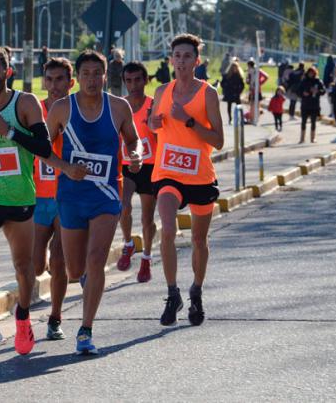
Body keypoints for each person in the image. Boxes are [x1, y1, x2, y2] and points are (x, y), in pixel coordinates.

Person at [0, 44, 84, 355]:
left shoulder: (24, 103)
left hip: (20, 195)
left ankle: (23, 318)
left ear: (7, 71)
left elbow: (42, 144)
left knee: (25, 267)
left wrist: (9, 131)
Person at [44, 49, 142, 355]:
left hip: (107, 194)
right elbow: (43, 150)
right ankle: (86, 278)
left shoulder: (118, 107)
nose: (91, 80)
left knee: (97, 259)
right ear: (78, 78)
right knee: (75, 269)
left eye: (96, 74)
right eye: (85, 74)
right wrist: (66, 168)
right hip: (71, 196)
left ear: (104, 76)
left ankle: (85, 330)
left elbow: (132, 139)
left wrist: (135, 154)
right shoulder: (61, 109)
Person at [148, 33, 224, 328]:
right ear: (171, 59)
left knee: (198, 240)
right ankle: (172, 293)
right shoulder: (161, 91)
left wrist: (189, 121)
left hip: (200, 176)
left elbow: (218, 141)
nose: (181, 61)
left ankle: (196, 290)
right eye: (177, 55)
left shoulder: (208, 94)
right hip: (168, 172)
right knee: (167, 229)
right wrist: (154, 124)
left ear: (197, 61)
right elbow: (157, 127)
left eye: (187, 56)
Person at [32, 57, 75, 341]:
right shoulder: (33, 110)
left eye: (61, 79)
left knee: (59, 260)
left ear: (71, 82)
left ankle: (55, 317)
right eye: (50, 79)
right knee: (35, 266)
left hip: (66, 196)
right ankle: (51, 264)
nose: (55, 85)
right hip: (35, 197)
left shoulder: (79, 111)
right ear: (44, 81)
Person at [116, 61, 158, 283]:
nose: (133, 85)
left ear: (146, 80)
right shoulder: (119, 106)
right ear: (124, 82)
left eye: (138, 80)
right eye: (129, 80)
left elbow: (162, 136)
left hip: (150, 167)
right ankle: (128, 243)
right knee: (123, 206)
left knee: (147, 217)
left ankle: (147, 257)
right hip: (126, 164)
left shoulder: (154, 105)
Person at [298, 66, 326, 143]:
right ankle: (302, 138)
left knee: (313, 121)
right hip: (305, 104)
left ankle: (313, 138)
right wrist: (303, 93)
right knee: (303, 121)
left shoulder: (318, 81)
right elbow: (298, 91)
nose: (311, 74)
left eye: (312, 73)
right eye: (310, 73)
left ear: (315, 73)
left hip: (314, 104)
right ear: (307, 73)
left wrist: (317, 91)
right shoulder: (304, 81)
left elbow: (323, 91)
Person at [220, 60, 245, 125]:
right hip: (230, 93)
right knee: (229, 106)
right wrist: (226, 89)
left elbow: (242, 85)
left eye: (236, 67)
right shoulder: (227, 75)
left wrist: (239, 91)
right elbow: (222, 83)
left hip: (236, 93)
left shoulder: (239, 76)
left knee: (239, 106)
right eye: (233, 67)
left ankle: (239, 118)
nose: (234, 69)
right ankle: (230, 118)